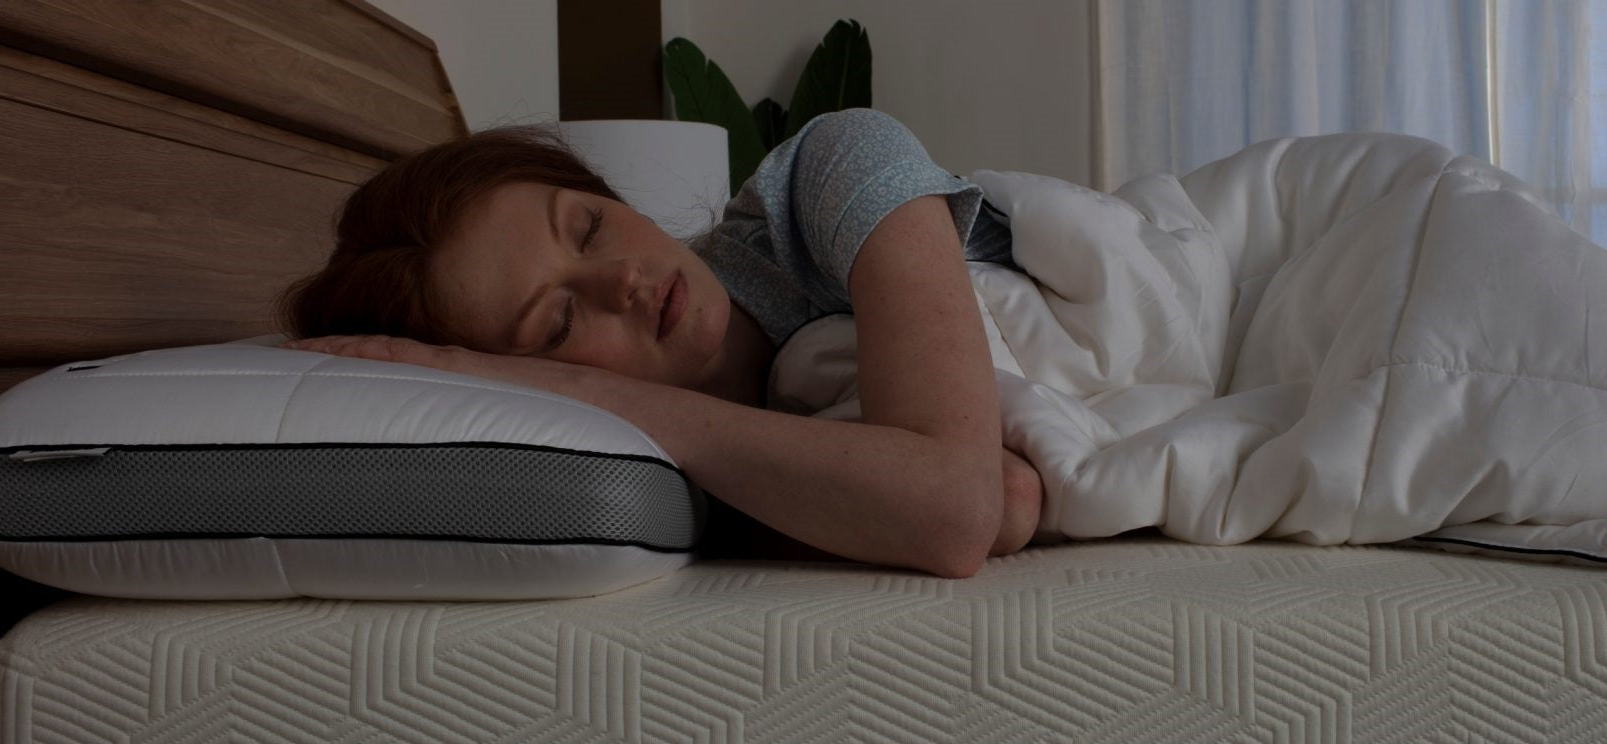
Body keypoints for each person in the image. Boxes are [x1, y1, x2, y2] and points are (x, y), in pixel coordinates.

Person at [280, 109, 1042, 578]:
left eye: (588, 225)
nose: (623, 280)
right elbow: (1002, 502)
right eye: (559, 323)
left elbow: (955, 510)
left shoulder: (834, 169)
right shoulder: (677, 486)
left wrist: (588, 386)